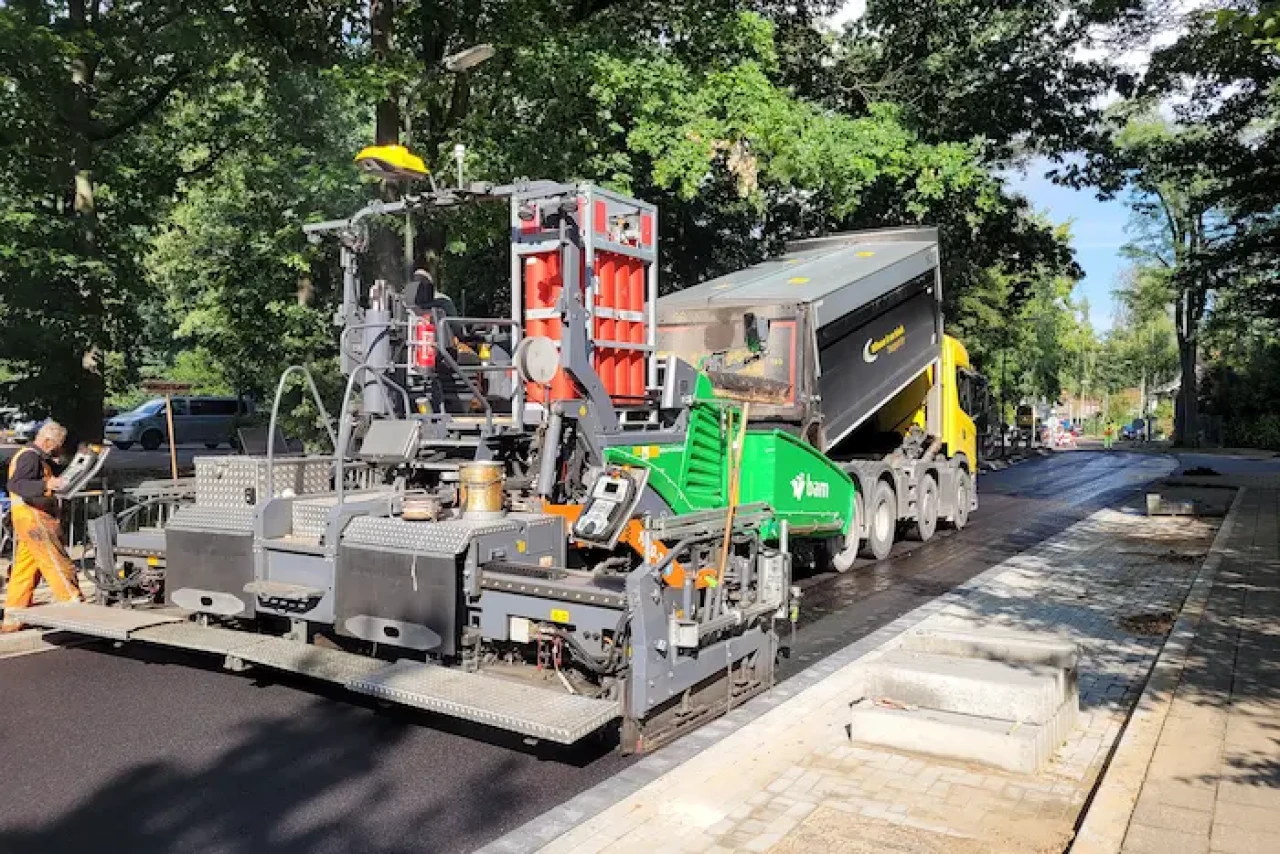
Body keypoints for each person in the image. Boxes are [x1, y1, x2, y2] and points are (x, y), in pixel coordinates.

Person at [2, 420, 82, 632]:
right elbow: (17, 484)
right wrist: (47, 484)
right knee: (55, 561)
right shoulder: (30, 457)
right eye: (57, 444)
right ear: (47, 441)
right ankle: (74, 605)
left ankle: (13, 616)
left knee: (25, 569)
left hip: (27, 518)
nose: (59, 449)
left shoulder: (34, 456)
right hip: (34, 517)